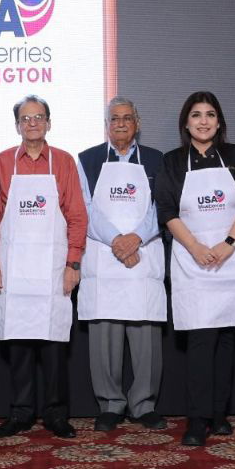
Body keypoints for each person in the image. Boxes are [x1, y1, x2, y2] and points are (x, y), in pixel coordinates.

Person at [155, 91, 235, 446]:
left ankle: (219, 414)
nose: (203, 121)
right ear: (186, 123)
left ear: (219, 122)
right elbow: (167, 211)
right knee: (201, 340)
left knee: (226, 339)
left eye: (210, 115)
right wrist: (198, 247)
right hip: (192, 260)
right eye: (196, 115)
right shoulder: (172, 161)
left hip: (233, 258)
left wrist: (226, 245)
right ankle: (197, 419)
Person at [0, 95, 88, 438]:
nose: (32, 123)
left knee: (54, 345)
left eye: (38, 117)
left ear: (49, 123)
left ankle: (56, 414)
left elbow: (76, 216)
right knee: (18, 344)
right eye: (26, 118)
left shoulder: (64, 162)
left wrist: (73, 263)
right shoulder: (1, 163)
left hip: (54, 267)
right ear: (16, 125)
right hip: (13, 267)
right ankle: (21, 413)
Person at [76, 97, 168, 432]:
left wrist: (136, 239)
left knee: (146, 336)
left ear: (137, 123)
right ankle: (110, 404)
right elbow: (84, 209)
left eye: (127, 118)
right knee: (105, 336)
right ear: (106, 124)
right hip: (105, 257)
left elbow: (164, 207)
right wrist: (117, 240)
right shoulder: (87, 159)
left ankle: (144, 404)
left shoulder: (158, 160)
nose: (120, 124)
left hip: (142, 256)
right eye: (114, 118)